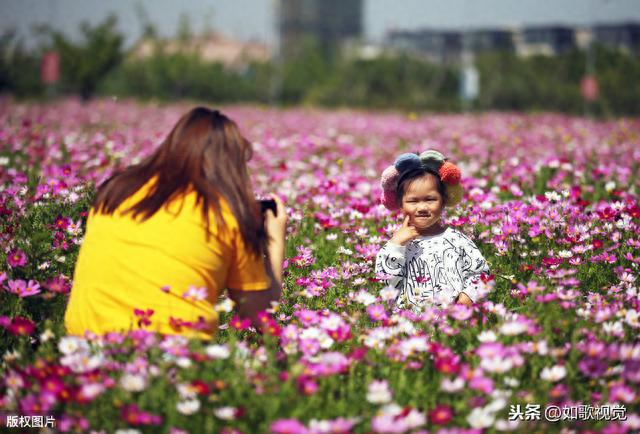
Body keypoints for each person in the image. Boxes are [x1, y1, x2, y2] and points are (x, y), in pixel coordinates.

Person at [64, 107, 286, 340]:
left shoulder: (117, 192)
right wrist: (275, 240)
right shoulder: (227, 213)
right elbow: (257, 314)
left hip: (82, 344)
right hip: (166, 350)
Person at [375, 150, 489, 311]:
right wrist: (396, 244)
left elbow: (480, 273)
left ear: (444, 201)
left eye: (430, 199)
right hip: (410, 325)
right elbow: (385, 282)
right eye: (412, 201)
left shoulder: (456, 239)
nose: (422, 207)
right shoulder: (397, 244)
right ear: (400, 205)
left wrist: (469, 295)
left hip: (454, 321)